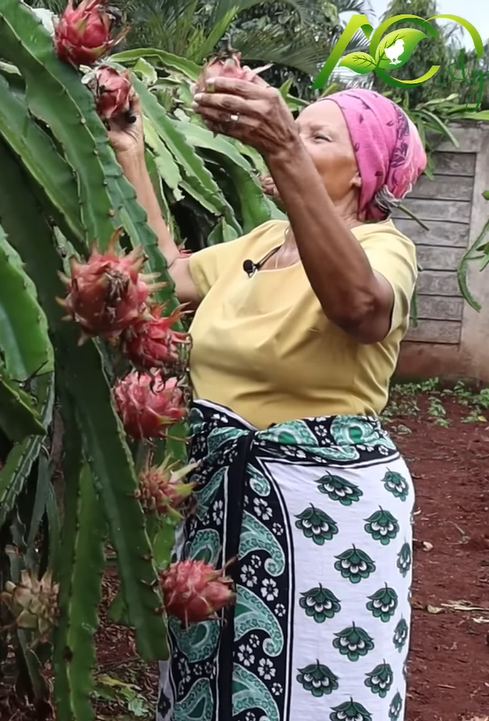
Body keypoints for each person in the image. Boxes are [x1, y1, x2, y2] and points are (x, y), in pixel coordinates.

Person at [107, 79, 425, 721]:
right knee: (210, 683)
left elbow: (360, 307)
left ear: (361, 172)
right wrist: (130, 151)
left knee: (315, 688)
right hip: (217, 499)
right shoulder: (261, 242)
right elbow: (166, 276)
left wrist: (282, 147)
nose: (295, 140)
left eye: (317, 136)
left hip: (326, 516)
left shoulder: (383, 247)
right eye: (293, 128)